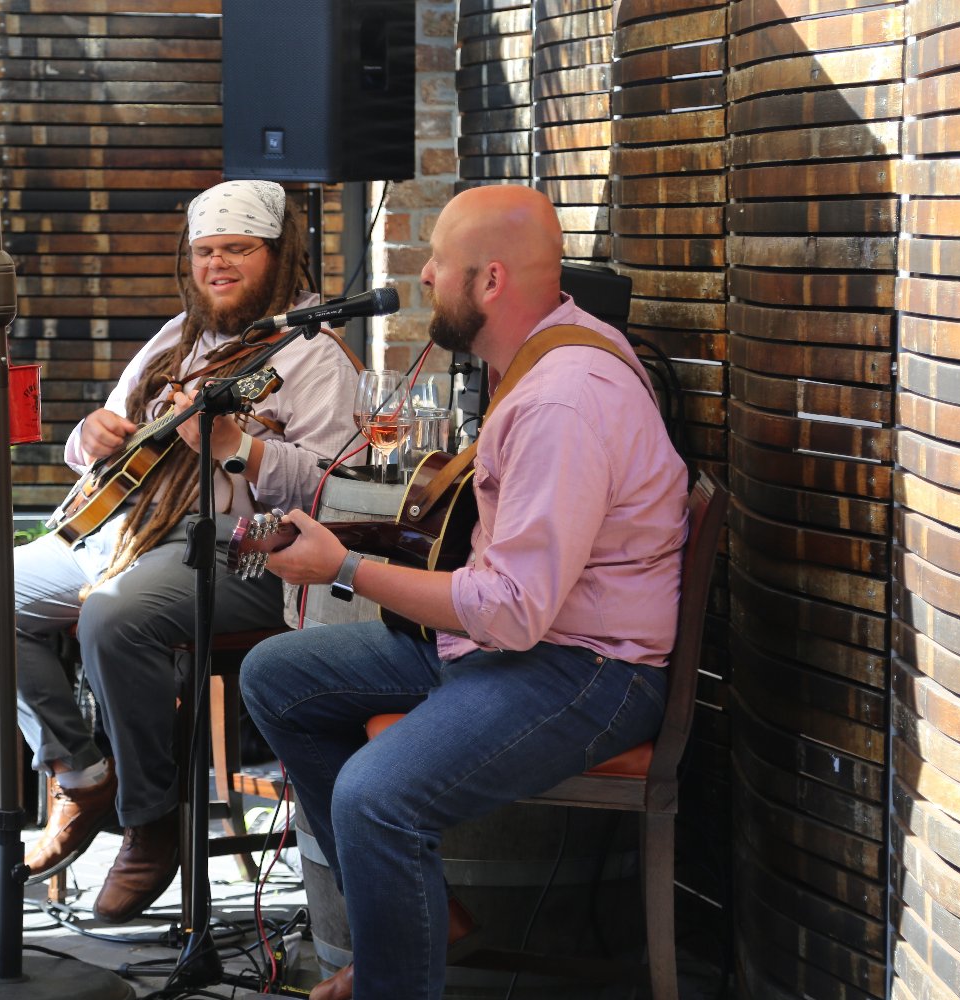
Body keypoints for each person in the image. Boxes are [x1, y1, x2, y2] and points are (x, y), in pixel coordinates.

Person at [239, 184, 689, 1000]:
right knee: (277, 675)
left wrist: (343, 568)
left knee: (373, 796)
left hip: (588, 670)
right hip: (527, 644)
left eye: (438, 262)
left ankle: (390, 975)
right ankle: (410, 924)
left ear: (490, 281)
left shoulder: (562, 401)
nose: (423, 276)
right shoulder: (543, 354)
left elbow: (512, 611)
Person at [0, 179, 361, 924]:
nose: (217, 265)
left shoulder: (314, 355)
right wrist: (87, 436)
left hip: (243, 551)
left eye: (237, 249)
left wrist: (239, 448)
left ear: (279, 254)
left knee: (114, 615)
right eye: (205, 251)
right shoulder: (176, 338)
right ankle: (81, 775)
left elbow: (335, 487)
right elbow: (98, 450)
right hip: (121, 532)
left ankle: (151, 819)